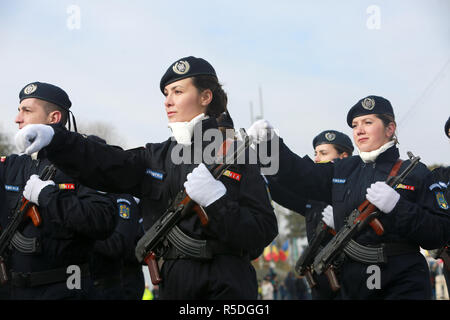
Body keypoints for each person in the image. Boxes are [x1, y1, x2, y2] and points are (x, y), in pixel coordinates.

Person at [14, 57, 278, 299]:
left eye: (178, 91)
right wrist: (58, 140)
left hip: (226, 286)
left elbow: (262, 231)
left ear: (205, 96)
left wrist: (217, 202)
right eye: (166, 94)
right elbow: (106, 162)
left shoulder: (234, 152)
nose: (167, 101)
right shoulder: (156, 155)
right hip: (172, 285)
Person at [248, 95, 450, 299]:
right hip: (355, 285)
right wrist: (270, 145)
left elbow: (439, 232)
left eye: (368, 122)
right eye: (355, 125)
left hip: (403, 283)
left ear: (390, 129)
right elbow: (301, 174)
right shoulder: (343, 169)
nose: (359, 130)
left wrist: (399, 207)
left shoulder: (416, 173)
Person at [0, 82, 116, 299]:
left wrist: (49, 197)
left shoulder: (83, 162)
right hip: (14, 291)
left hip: (65, 290)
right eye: (18, 110)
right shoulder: (10, 166)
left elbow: (102, 220)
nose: (17, 118)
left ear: (54, 118)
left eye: (27, 111)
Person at [254, 129, 353, 299]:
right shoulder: (314, 200)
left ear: (343, 157)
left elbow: (301, 172)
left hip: (350, 277)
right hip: (322, 281)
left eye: (323, 153)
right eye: (316, 153)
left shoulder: (352, 188)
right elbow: (283, 191)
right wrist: (258, 163)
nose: (317, 158)